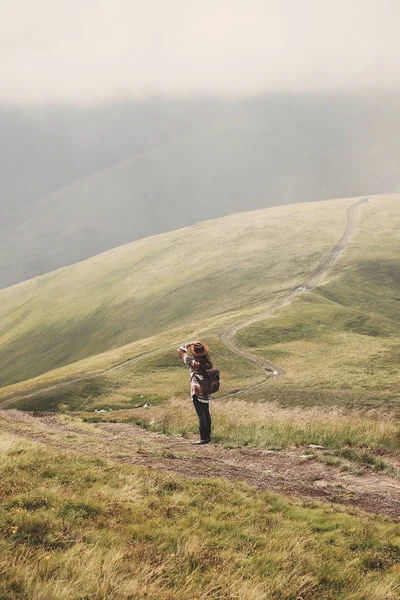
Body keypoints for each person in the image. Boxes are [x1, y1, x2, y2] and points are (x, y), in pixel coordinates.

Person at [177, 340, 214, 445]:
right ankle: (208, 436)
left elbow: (179, 351)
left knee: (200, 415)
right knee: (206, 413)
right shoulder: (209, 363)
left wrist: (188, 344)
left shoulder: (192, 362)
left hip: (196, 390)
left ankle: (203, 438)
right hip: (206, 391)